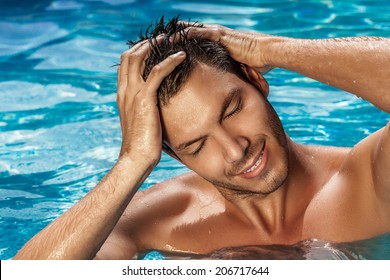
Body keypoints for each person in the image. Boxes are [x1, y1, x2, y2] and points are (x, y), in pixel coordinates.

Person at [14, 16, 390, 260]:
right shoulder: (154, 222)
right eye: (196, 145)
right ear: (175, 155)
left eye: (232, 110)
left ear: (256, 81)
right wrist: (132, 162)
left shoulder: (369, 180)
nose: (235, 149)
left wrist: (269, 49)